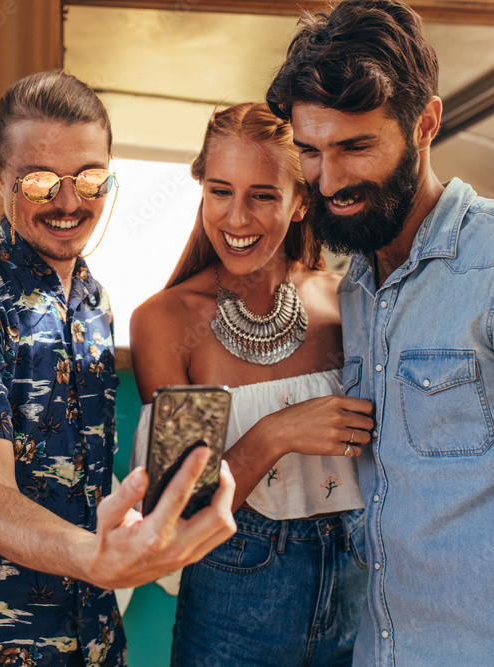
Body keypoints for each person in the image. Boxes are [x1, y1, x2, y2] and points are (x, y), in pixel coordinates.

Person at [266, 1, 494, 664]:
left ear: (425, 122)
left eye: (355, 147)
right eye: (309, 151)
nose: (328, 179)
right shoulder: (357, 290)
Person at [0, 69, 237, 667]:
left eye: (89, 178)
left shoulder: (95, 299)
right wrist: (96, 558)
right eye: (39, 181)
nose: (68, 202)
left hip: (91, 636)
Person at [130, 102, 374, 666]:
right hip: (234, 596)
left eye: (263, 195)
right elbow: (181, 514)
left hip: (361, 588)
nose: (237, 219)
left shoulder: (348, 300)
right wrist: (273, 434)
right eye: (220, 191)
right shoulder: (165, 321)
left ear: (300, 202)